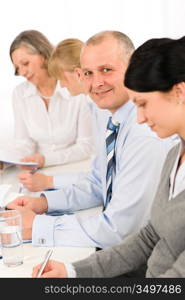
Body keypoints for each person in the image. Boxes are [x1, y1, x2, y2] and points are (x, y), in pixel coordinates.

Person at [32, 36, 185, 278]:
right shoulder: (174, 156)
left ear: (180, 92)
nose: (140, 118)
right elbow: (150, 236)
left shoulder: (149, 138)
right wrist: (73, 272)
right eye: (88, 73)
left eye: (143, 103)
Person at [17, 38, 107, 192]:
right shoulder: (96, 106)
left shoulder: (96, 105)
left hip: (76, 173)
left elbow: (96, 174)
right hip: (55, 176)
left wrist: (48, 174)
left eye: (25, 63)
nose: (63, 85)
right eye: (17, 68)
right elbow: (98, 176)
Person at [7, 30, 93, 170]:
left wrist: (46, 160)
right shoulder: (20, 94)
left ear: (43, 56)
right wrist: (8, 161)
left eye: (25, 63)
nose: (22, 72)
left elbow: (86, 146)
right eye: (17, 68)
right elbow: (23, 143)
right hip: (36, 170)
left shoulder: (75, 88)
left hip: (74, 168)